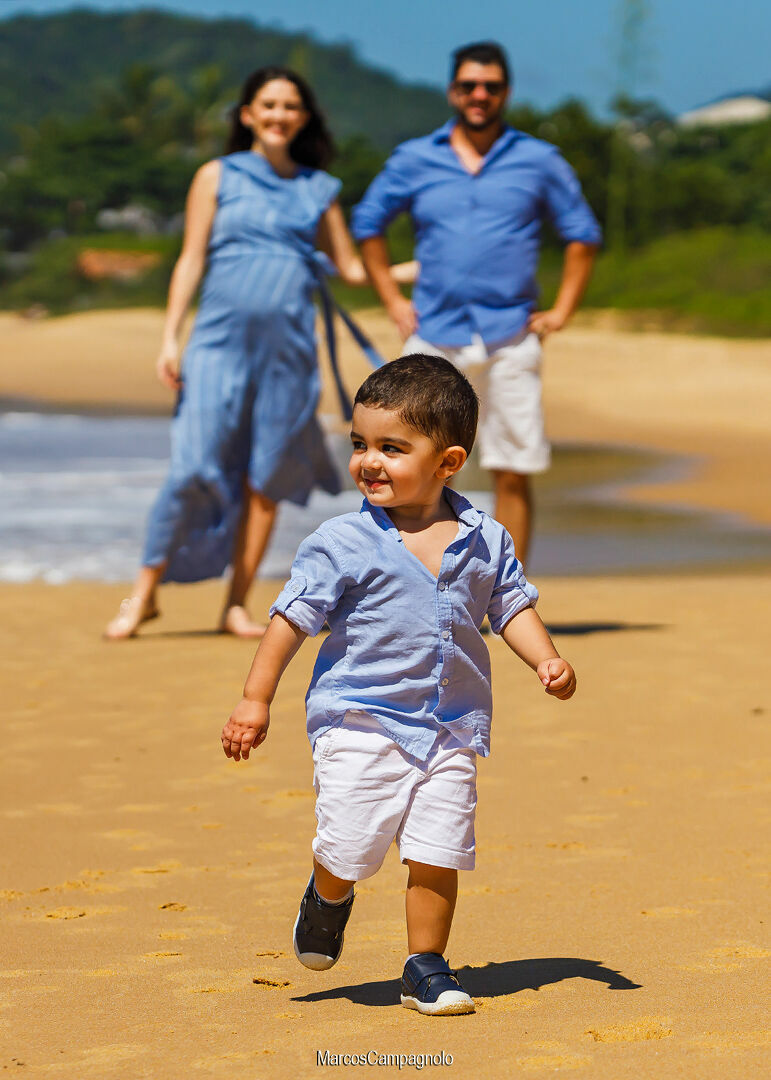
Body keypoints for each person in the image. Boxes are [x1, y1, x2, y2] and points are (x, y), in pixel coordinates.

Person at [221, 355, 576, 1015]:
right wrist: (254, 698)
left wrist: (545, 659)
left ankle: (425, 966)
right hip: (360, 723)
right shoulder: (342, 542)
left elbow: (511, 607)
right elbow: (289, 622)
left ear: (447, 461)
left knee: (438, 848)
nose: (368, 461)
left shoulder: (484, 538)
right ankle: (328, 894)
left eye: (391, 447)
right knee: (351, 845)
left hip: (449, 726)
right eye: (359, 444)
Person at [104, 66, 414, 640]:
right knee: (191, 468)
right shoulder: (216, 175)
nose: (279, 115)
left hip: (289, 354)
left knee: (265, 478)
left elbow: (348, 268)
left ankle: (236, 604)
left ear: (303, 118)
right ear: (247, 114)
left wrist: (415, 268)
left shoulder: (318, 189)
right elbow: (191, 258)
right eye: (268, 105)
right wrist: (170, 335)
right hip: (217, 345)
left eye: (290, 106)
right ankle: (143, 594)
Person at [352, 41, 602, 567]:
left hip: (511, 335)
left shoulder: (538, 159)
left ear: (506, 91)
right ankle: (413, 585)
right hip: (433, 334)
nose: (479, 94)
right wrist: (392, 299)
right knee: (415, 468)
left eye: (490, 85)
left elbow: (582, 234)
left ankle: (508, 601)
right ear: (452, 91)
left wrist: (562, 311)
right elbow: (368, 225)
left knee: (513, 467)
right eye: (469, 85)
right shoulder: (415, 158)